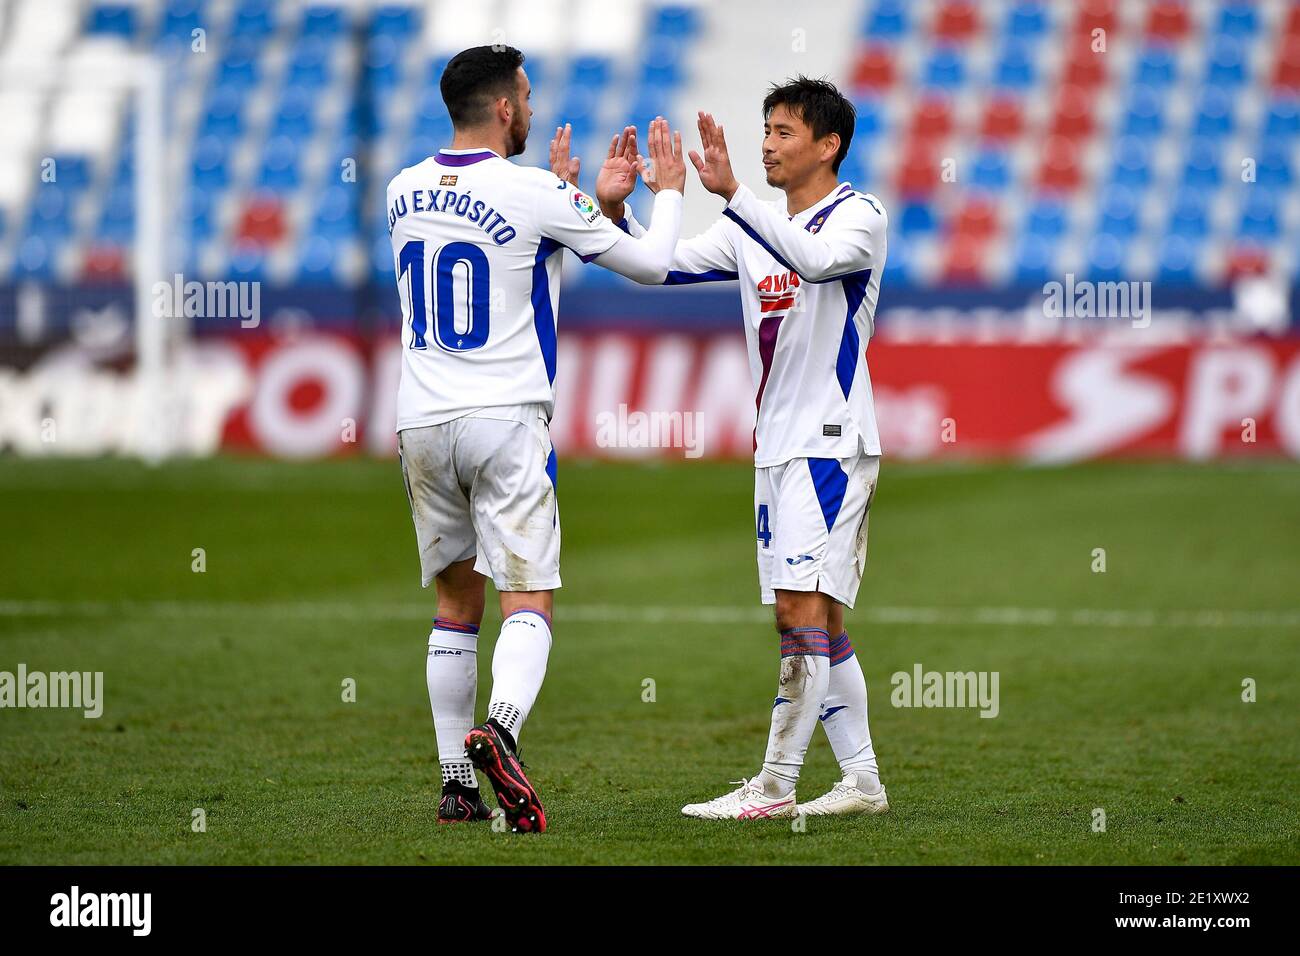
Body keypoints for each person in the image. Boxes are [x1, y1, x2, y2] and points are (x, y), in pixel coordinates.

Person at [388, 45, 686, 832]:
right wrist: (670, 196)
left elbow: (512, 260)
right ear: (506, 109)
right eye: (525, 93)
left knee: (456, 603)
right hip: (504, 420)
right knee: (529, 596)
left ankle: (456, 780)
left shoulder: (401, 189)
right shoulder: (530, 191)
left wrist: (578, 202)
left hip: (420, 420)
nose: (530, 103)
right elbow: (653, 267)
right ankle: (504, 731)